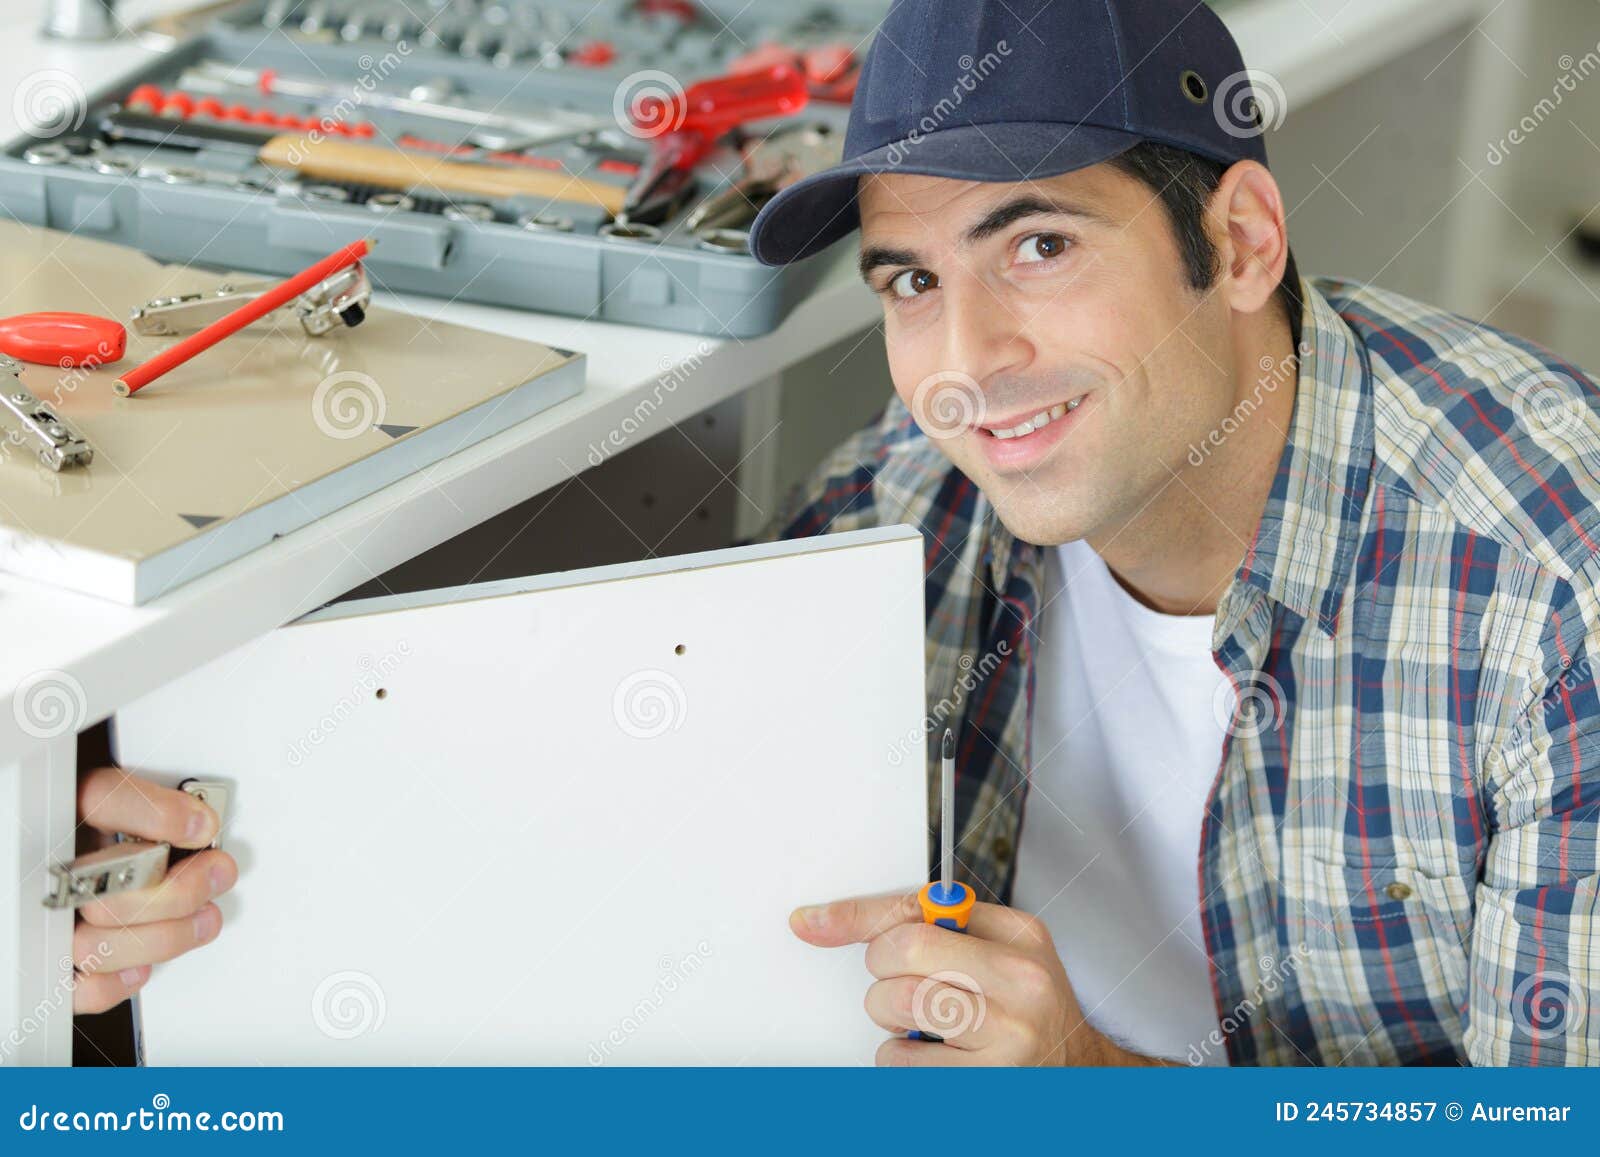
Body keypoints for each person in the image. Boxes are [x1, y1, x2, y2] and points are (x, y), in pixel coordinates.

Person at [742, 0, 1599, 1065]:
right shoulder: (899, 506)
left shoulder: (1555, 595)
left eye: (1039, 244)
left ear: (1240, 242)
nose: (966, 361)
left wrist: (1093, 1091)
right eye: (913, 279)